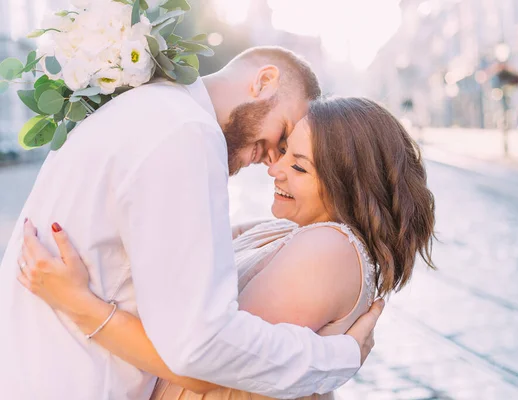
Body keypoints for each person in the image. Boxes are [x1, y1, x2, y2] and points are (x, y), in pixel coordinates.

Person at [0, 47, 383, 400]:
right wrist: (339, 355)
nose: (272, 161)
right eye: (282, 136)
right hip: (76, 381)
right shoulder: (186, 133)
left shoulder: (150, 107)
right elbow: (200, 348)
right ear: (264, 81)